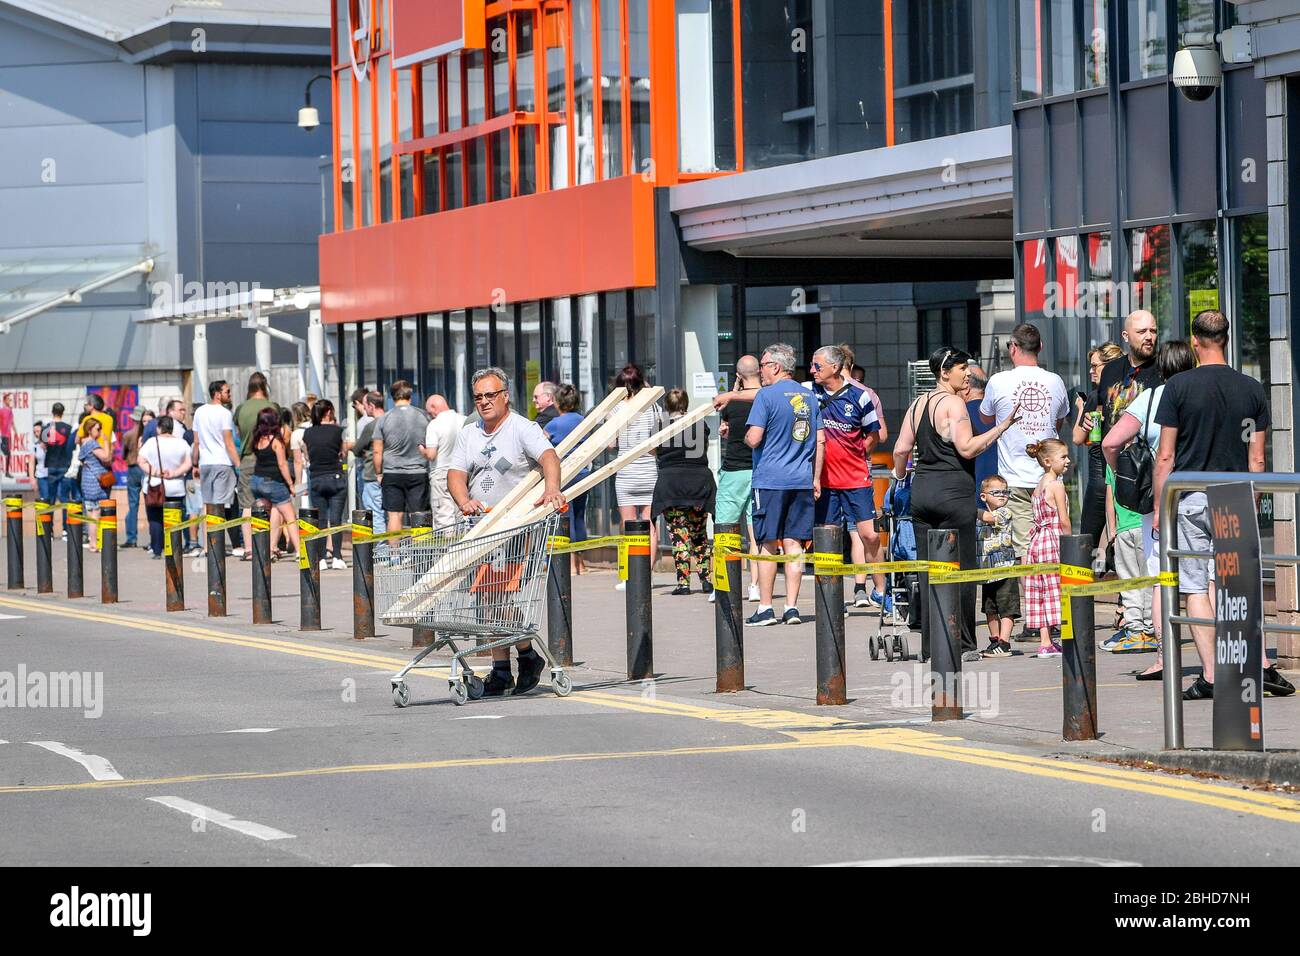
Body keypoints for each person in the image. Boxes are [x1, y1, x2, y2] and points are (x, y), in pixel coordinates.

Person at [1152, 310, 1296, 700]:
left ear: (1195, 341)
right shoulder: (1250, 388)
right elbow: (1258, 461)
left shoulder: (1178, 387)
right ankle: (1261, 666)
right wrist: (1253, 501)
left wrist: (1159, 506)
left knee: (1196, 586)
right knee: (1239, 584)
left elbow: (1165, 456)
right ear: (1226, 340)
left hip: (1191, 495)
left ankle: (1213, 676)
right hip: (1236, 495)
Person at [894, 348, 1021, 661]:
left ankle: (929, 646)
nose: (967, 373)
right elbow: (966, 448)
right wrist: (1000, 429)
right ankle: (963, 644)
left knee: (928, 571)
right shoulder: (954, 404)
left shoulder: (918, 403)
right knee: (962, 570)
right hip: (954, 493)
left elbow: (900, 449)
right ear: (944, 372)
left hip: (922, 493)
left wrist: (900, 476)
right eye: (962, 368)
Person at [448, 367, 566, 697]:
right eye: (478, 397)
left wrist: (552, 488)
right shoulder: (469, 433)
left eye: (490, 395)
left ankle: (523, 658)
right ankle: (508, 666)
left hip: (516, 525)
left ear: (505, 396)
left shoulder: (521, 428)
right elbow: (455, 474)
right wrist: (463, 500)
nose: (484, 402)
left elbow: (548, 456)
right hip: (480, 526)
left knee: (499, 595)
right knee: (487, 598)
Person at [1102, 340, 1197, 680]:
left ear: (1161, 368)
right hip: (1206, 492)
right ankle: (1219, 653)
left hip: (1161, 498)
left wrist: (1125, 473)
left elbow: (1110, 442)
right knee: (1210, 578)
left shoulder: (1152, 398)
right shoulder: (1203, 395)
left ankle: (1164, 657)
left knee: (1163, 579)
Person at [742, 343, 824, 627]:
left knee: (766, 542)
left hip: (771, 480)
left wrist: (743, 436)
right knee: (794, 544)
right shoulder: (810, 398)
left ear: (776, 367)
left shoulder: (766, 396)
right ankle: (791, 607)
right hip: (801, 479)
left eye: (763, 366)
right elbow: (820, 442)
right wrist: (815, 477)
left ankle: (766, 607)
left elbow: (754, 438)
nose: (760, 371)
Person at [979, 323, 1069, 565]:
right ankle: (1053, 598)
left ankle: (1031, 600)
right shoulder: (1056, 381)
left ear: (1013, 348)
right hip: (1049, 476)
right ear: (1040, 346)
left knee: (1024, 549)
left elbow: (986, 418)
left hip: (1015, 477)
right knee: (1054, 542)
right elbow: (1058, 425)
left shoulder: (998, 381)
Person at [807, 345, 886, 611]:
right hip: (825, 481)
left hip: (855, 479)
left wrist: (855, 454)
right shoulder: (809, 392)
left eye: (817, 366)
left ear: (835, 367)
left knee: (869, 536)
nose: (812, 370)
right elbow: (771, 393)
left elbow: (874, 435)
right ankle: (831, 596)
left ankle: (880, 591)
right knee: (828, 538)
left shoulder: (861, 397)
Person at [651, 388, 715, 596]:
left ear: (666, 406)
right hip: (699, 483)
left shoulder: (660, 427)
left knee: (679, 535)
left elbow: (653, 451)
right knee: (699, 533)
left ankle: (683, 584)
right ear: (685, 405)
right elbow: (704, 446)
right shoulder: (699, 423)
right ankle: (706, 580)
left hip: (671, 484)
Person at [712, 355, 762, 602]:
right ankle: (755, 585)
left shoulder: (730, 403)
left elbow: (726, 427)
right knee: (756, 534)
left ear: (739, 375)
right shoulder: (766, 398)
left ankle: (722, 582)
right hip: (758, 470)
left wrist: (733, 390)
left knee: (725, 529)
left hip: (733, 471)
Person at [611, 364, 661, 590]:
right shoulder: (652, 407)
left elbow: (611, 444)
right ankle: (646, 576)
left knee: (627, 526)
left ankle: (628, 575)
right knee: (650, 527)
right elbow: (659, 439)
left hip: (626, 472)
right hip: (649, 471)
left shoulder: (615, 409)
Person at [1072, 343, 1123, 557]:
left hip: (1099, 476)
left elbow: (1077, 438)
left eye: (1095, 366)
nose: (1091, 371)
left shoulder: (1095, 397)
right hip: (1122, 474)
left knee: (1087, 541)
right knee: (1121, 538)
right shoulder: (1127, 393)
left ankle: (1083, 589)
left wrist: (1081, 409)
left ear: (1109, 366)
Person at [1023, 439, 1072, 658]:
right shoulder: (1056, 485)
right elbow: (1064, 520)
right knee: (1057, 589)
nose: (1068, 461)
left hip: (1037, 541)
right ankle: (1066, 637)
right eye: (1063, 457)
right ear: (1048, 461)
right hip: (1052, 539)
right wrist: (1072, 545)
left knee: (1040, 591)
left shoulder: (1038, 486)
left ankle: (1046, 641)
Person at [373, 380, 432, 534]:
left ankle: (394, 555)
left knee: (394, 515)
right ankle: (420, 554)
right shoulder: (423, 416)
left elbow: (377, 451)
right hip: (418, 472)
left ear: (392, 398)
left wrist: (378, 473)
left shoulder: (384, 419)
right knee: (418, 515)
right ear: (410, 396)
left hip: (392, 472)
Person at [541, 384, 588, 572]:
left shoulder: (554, 424)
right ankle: (581, 563)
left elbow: (541, 446)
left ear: (557, 403)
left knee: (564, 518)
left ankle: (568, 562)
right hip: (584, 472)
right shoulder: (582, 420)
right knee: (579, 516)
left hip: (564, 474)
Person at [192, 380, 240, 554]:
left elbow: (196, 442)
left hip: (205, 463)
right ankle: (216, 545)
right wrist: (239, 465)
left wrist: (195, 463)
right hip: (222, 463)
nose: (230, 394)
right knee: (219, 506)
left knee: (208, 505)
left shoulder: (199, 412)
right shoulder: (224, 413)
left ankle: (207, 546)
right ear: (218, 394)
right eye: (227, 391)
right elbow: (229, 443)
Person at [233, 373, 277, 557]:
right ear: (265, 386)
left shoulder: (241, 408)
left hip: (247, 458)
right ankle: (272, 548)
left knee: (247, 505)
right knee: (273, 503)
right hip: (269, 458)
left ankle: (249, 548)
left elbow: (239, 433)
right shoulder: (272, 407)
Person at [303, 399, 349, 569]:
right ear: (329, 412)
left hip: (316, 478)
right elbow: (342, 452)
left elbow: (308, 456)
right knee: (336, 519)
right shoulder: (337, 431)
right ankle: (337, 556)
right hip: (335, 477)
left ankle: (321, 558)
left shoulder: (307, 433)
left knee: (321, 520)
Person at [138, 416, 193, 559]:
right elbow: (189, 462)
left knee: (155, 519)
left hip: (154, 486)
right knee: (175, 519)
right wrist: (175, 473)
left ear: (159, 428)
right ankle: (173, 548)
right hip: (176, 486)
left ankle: (157, 550)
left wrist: (155, 472)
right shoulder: (181, 443)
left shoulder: (151, 442)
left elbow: (141, 460)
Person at [249, 406, 300, 559]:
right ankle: (300, 551)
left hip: (256, 481)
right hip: (273, 482)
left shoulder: (257, 439)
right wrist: (290, 484)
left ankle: (269, 549)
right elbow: (282, 464)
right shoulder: (276, 441)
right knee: (290, 517)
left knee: (272, 514)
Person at [977, 474, 1019, 657]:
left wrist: (965, 508)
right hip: (987, 571)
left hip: (1005, 568)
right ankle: (994, 640)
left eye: (1005, 492)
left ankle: (1005, 642)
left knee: (1007, 607)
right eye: (996, 492)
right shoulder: (979, 517)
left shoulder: (1004, 512)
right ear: (983, 496)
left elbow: (989, 518)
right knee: (990, 608)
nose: (1002, 495)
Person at [422, 394, 467, 528]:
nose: (430, 415)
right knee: (461, 512)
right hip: (461, 472)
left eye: (430, 413)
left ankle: (446, 548)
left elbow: (431, 454)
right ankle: (462, 545)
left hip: (440, 473)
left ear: (434, 408)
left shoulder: (434, 424)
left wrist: (421, 450)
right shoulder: (464, 420)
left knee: (443, 515)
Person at [76, 418, 113, 552]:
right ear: (90, 429)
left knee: (91, 512)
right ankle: (95, 543)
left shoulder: (84, 443)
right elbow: (106, 457)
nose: (100, 431)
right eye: (97, 428)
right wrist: (106, 442)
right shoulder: (92, 444)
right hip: (95, 483)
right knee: (96, 512)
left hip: (87, 481)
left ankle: (93, 543)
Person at [353, 391, 386, 536]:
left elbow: (357, 449)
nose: (364, 410)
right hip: (392, 474)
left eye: (366, 406)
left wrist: (367, 452)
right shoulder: (391, 421)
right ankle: (394, 555)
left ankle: (382, 553)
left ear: (371, 406)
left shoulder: (371, 426)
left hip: (373, 476)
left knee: (376, 515)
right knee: (391, 515)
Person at [964, 367, 998, 496]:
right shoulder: (999, 413)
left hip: (971, 490)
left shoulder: (958, 414)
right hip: (1002, 488)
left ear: (966, 387)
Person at [41, 403, 75, 531]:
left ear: (52, 412)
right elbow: (71, 445)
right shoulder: (68, 428)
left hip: (51, 464)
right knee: (65, 499)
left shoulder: (46, 428)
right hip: (64, 465)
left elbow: (43, 446)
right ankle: (66, 529)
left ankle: (49, 529)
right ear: (63, 412)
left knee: (51, 499)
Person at [120, 407, 147, 548]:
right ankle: (154, 538)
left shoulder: (128, 434)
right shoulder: (147, 433)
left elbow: (123, 454)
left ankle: (131, 538)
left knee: (133, 504)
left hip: (133, 468)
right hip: (146, 468)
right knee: (150, 502)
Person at [351, 385, 373, 507]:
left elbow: (362, 447)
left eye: (354, 406)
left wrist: (351, 446)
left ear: (357, 403)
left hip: (366, 466)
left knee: (367, 504)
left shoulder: (363, 422)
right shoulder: (379, 418)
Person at [289, 401, 312, 507]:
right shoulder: (315, 427)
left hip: (306, 470)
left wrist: (298, 483)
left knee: (306, 506)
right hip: (322, 468)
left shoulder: (296, 434)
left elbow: (298, 461)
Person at [29, 421, 47, 499]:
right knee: (45, 500)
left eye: (38, 431)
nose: (36, 434)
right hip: (41, 476)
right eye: (34, 432)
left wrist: (46, 448)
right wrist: (32, 479)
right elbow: (31, 463)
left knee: (62, 499)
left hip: (54, 475)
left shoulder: (52, 444)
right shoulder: (35, 446)